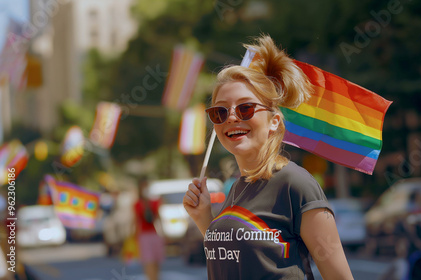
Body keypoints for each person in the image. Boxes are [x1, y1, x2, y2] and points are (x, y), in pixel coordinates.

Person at [183, 35, 353, 279]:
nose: (231, 118)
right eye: (220, 111)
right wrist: (204, 219)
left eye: (245, 108)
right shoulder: (237, 188)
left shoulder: (296, 184)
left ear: (274, 122)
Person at [134, 177, 164, 280]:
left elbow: (157, 218)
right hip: (144, 236)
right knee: (149, 262)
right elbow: (136, 221)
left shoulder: (154, 203)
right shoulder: (137, 204)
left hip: (154, 235)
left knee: (155, 262)